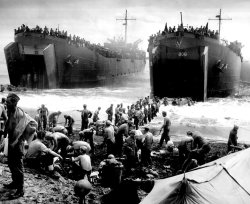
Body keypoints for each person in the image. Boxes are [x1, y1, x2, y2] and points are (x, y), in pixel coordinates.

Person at [3, 93, 37, 198]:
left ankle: (20, 190)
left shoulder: (20, 115)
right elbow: (8, 122)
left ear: (14, 103)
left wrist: (13, 143)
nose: (6, 104)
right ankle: (14, 182)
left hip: (18, 144)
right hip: (12, 141)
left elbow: (19, 132)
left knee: (18, 166)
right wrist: (5, 132)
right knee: (11, 163)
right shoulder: (10, 110)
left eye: (8, 103)